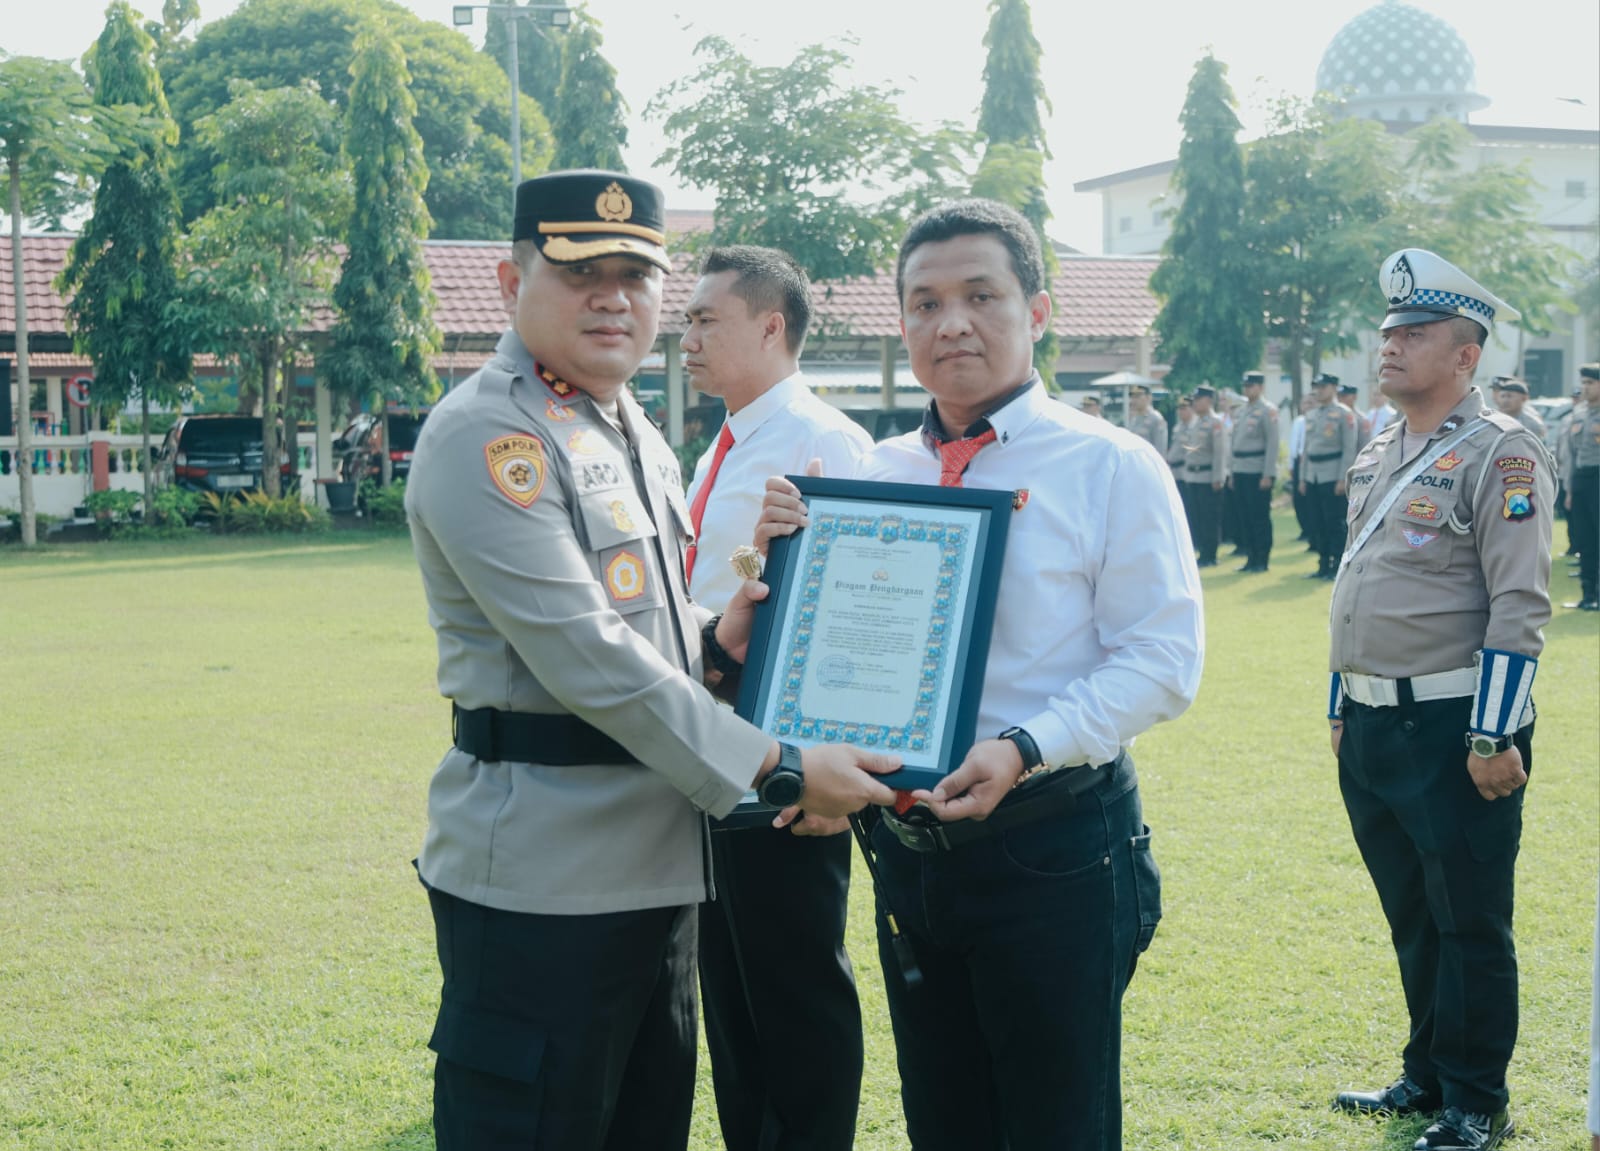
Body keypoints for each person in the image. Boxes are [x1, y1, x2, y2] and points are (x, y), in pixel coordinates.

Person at [402, 170, 898, 1151]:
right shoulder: (489, 433)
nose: (613, 298)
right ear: (510, 282)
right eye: (581, 272)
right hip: (542, 886)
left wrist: (718, 638)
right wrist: (780, 763)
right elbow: (590, 656)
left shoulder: (631, 430)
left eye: (634, 275)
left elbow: (648, 628)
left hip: (662, 880)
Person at [759, 198, 1204, 1151]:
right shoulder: (875, 475)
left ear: (1037, 311)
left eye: (980, 295)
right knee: (945, 1121)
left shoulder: (1110, 464)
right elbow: (837, 661)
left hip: (1052, 846)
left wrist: (1024, 746)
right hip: (908, 853)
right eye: (924, 303)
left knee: (1055, 1126)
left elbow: (1165, 659)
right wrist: (784, 578)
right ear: (902, 323)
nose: (950, 322)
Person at [1328, 247, 1552, 1151]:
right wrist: (1340, 702)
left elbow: (1520, 602)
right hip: (1372, 720)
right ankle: (1426, 1072)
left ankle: (1475, 1101)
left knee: (1468, 921)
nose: (1391, 345)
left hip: (1454, 725)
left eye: (1415, 333)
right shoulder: (1382, 447)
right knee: (1413, 912)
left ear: (1466, 355)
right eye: (1388, 332)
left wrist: (1492, 732)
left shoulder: (1503, 451)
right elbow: (1357, 582)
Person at [679, 244, 875, 1151]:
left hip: (785, 768)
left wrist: (827, 775)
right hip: (708, 746)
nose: (685, 339)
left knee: (796, 997)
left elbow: (859, 611)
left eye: (704, 320)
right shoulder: (720, 446)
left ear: (770, 326)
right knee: (734, 1001)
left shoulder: (822, 440)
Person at [1300, 372, 1359, 580]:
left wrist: (1343, 478)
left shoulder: (1344, 413)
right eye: (1316, 387)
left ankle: (1337, 565)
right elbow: (1306, 448)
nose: (1318, 391)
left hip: (1333, 474)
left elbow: (1349, 448)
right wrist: (1303, 477)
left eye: (1323, 387)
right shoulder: (1312, 414)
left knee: (1334, 522)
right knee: (1317, 522)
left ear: (1334, 388)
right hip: (1313, 474)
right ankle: (1323, 563)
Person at [1228, 370, 1281, 572]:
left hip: (1257, 470)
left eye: (1251, 386)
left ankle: (1262, 559)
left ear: (1260, 387)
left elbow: (1272, 444)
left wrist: (1268, 473)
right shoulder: (1241, 411)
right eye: (1245, 386)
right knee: (1245, 517)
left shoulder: (1268, 410)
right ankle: (1250, 557)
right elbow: (1234, 444)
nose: (1247, 390)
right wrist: (1232, 472)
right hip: (1240, 469)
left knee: (1259, 517)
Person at [1564, 364, 1600, 610]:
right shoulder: (1578, 414)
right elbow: (1571, 454)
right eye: (1583, 383)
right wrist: (1569, 489)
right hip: (1581, 479)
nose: (1585, 388)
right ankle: (1588, 595)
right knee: (1585, 539)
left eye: (1590, 383)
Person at [1183, 383, 1228, 566]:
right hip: (1194, 476)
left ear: (1209, 400)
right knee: (1197, 517)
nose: (1194, 403)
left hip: (1208, 477)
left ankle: (1210, 554)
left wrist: (1218, 477)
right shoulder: (1195, 423)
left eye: (1198, 399)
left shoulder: (1215, 423)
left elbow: (1220, 452)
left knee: (1209, 518)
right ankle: (1202, 552)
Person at [1289, 393, 1315, 543]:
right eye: (1305, 403)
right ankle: (1304, 529)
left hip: (1311, 461)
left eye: (1310, 403)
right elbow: (1293, 443)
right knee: (1298, 499)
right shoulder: (1299, 421)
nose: (1307, 406)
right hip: (1298, 461)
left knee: (1309, 498)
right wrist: (1291, 464)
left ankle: (1312, 531)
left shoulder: (1316, 420)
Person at [1124, 381, 1168, 457]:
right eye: (1132, 397)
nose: (1134, 400)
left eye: (1137, 396)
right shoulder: (1134, 419)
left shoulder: (1155, 418)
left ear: (1148, 397)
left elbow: (1160, 449)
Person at [1339, 381, 1373, 451]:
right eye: (1338, 396)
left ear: (1354, 397)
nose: (1340, 399)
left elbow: (1365, 444)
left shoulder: (1362, 419)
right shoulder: (1336, 417)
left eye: (1344, 396)